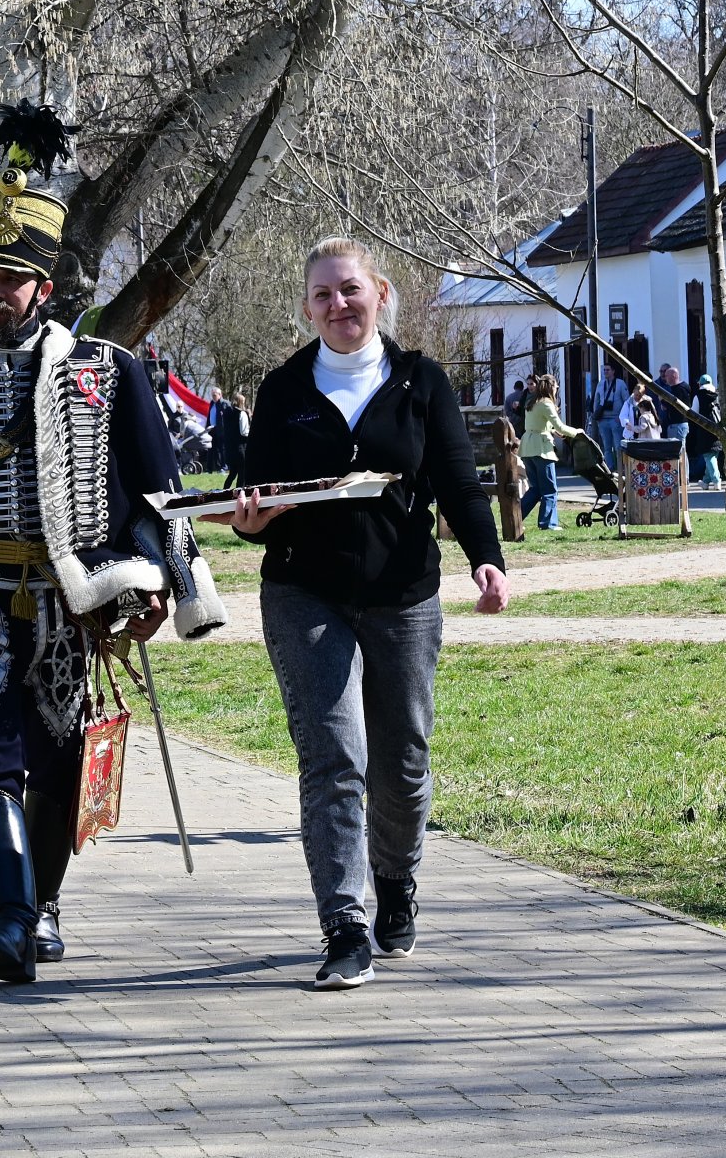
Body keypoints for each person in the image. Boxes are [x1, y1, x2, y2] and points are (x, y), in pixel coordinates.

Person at [0, 104, 225, 985]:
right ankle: (13, 918)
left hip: (76, 605)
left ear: (45, 286)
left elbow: (159, 492)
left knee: (58, 759)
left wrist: (173, 588)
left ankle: (45, 904)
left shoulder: (107, 370)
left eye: (9, 278)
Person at [234, 235, 507, 990]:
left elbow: (459, 482)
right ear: (307, 309)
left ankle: (396, 883)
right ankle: (344, 926)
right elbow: (254, 492)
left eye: (349, 289)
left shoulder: (421, 382)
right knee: (334, 758)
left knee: (403, 762)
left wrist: (487, 558)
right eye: (322, 295)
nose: (338, 305)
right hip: (304, 592)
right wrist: (251, 517)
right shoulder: (284, 390)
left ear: (380, 293)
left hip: (404, 595)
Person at [517, 372, 586, 530]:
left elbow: (538, 423)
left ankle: (515, 516)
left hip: (528, 447)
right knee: (549, 489)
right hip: (541, 449)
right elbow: (561, 426)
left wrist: (552, 431)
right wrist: (577, 432)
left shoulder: (532, 401)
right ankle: (548, 523)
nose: (557, 389)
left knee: (535, 489)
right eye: (556, 386)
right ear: (550, 387)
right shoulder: (546, 403)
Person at [688, 373, 722, 488]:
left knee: (709, 456)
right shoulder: (717, 394)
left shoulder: (699, 396)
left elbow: (694, 412)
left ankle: (716, 480)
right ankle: (706, 481)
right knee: (713, 454)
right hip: (717, 428)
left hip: (704, 429)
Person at [591, 363, 628, 465]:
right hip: (603, 419)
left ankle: (621, 469)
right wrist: (596, 416)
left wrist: (622, 417)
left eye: (608, 370)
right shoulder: (600, 384)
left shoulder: (620, 384)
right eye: (604, 370)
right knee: (607, 447)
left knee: (618, 446)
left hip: (616, 419)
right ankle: (610, 469)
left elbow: (626, 401)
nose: (605, 372)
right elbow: (596, 400)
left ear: (613, 371)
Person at [655, 364, 691, 447]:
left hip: (678, 424)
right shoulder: (683, 387)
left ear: (674, 376)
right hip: (677, 424)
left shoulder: (679, 389)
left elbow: (674, 405)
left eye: (667, 375)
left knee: (678, 450)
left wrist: (662, 400)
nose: (665, 377)